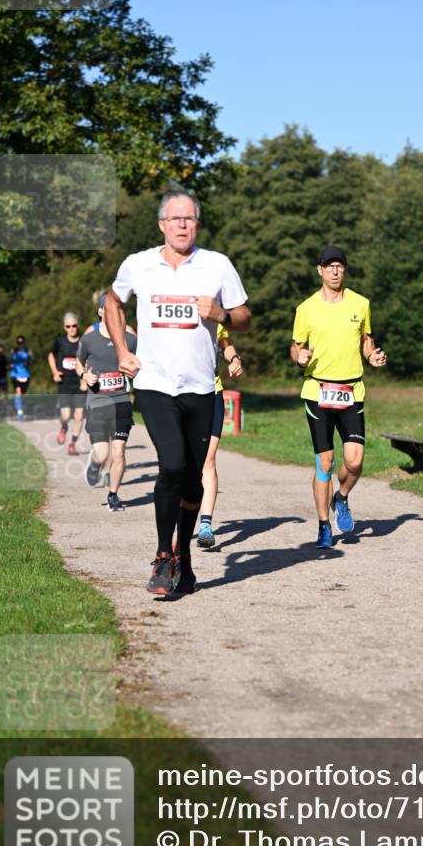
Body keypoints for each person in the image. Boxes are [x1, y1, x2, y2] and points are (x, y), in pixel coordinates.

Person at [104, 188, 251, 596]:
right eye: (175, 219)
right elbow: (112, 303)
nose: (182, 225)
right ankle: (162, 555)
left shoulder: (217, 265)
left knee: (191, 481)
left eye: (189, 219)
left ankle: (183, 556)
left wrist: (221, 314)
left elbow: (244, 317)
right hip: (154, 385)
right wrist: (121, 351)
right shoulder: (138, 264)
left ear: (197, 225)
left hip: (201, 388)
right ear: (162, 225)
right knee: (171, 464)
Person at [290, 245, 387, 549]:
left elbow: (366, 340)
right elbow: (296, 345)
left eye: (339, 266)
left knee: (354, 462)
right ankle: (323, 527)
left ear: (345, 270)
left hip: (351, 391)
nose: (334, 271)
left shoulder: (361, 303)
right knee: (326, 462)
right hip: (317, 390)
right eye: (329, 266)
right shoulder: (306, 308)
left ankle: (341, 497)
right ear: (319, 270)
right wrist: (298, 357)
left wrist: (371, 356)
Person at [77, 294, 137, 512]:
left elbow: (140, 364)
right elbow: (79, 362)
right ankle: (95, 463)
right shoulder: (89, 339)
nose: (114, 313)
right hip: (97, 402)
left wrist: (135, 371)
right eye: (109, 308)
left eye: (118, 310)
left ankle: (113, 495)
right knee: (102, 454)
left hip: (121, 401)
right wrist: (84, 375)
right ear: (101, 311)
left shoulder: (130, 340)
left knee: (118, 452)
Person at [196, 324, 244, 549]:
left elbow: (225, 344)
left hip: (212, 393)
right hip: (181, 395)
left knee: (208, 460)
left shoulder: (215, 320)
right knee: (182, 462)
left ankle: (205, 525)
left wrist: (234, 359)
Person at [48, 313, 86, 455]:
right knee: (66, 415)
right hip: (64, 383)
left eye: (74, 326)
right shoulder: (60, 341)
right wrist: (55, 372)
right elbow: (51, 355)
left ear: (78, 326)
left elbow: (89, 360)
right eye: (68, 326)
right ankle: (63, 427)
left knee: (79, 415)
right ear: (64, 327)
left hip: (79, 384)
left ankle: (72, 444)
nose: (71, 329)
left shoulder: (83, 342)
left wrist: (85, 378)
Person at [10, 336, 33, 420]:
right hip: (15, 374)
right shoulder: (13, 351)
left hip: (25, 375)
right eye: (19, 343)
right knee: (18, 392)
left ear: (24, 342)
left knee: (22, 395)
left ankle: (21, 409)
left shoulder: (27, 351)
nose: (20, 344)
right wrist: (10, 365)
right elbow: (10, 361)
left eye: (22, 342)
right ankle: (20, 412)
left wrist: (28, 362)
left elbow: (32, 361)